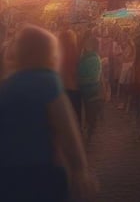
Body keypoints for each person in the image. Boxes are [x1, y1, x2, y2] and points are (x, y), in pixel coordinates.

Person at [0, 24, 98, 202]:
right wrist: (79, 168)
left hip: (7, 171)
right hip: (42, 169)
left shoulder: (6, 85)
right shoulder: (47, 81)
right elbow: (67, 128)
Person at [77, 33, 103, 145]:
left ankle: (89, 136)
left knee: (89, 113)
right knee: (89, 113)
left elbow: (82, 72)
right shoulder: (92, 57)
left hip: (89, 88)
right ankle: (88, 135)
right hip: (91, 88)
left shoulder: (91, 58)